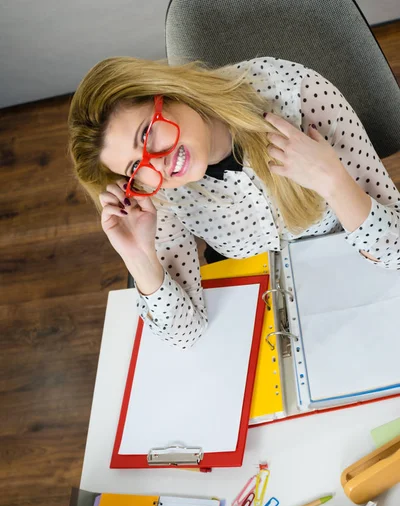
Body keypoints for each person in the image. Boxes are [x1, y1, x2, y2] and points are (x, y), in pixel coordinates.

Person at [68, 56, 400, 349]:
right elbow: (187, 334)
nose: (158, 164)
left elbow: (396, 249)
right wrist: (140, 259)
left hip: (353, 280)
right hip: (257, 311)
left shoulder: (297, 95)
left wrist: (333, 180)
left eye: (147, 135)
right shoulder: (156, 192)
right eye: (135, 167)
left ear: (167, 93)